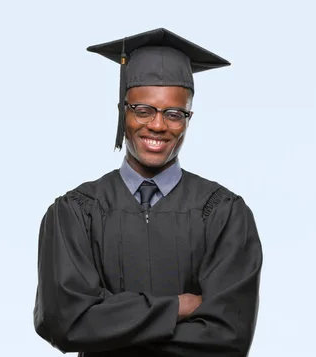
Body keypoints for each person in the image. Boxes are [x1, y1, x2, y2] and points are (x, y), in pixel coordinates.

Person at [32, 28, 263, 357]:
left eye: (174, 114)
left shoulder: (224, 213)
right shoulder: (75, 213)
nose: (157, 125)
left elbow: (229, 336)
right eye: (143, 110)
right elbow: (63, 321)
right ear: (122, 110)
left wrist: (108, 325)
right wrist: (177, 308)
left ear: (188, 118)